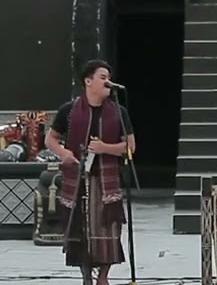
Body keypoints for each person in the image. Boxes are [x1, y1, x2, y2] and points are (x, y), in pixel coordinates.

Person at [45, 59, 136, 285]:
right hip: (78, 178)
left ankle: (103, 277)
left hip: (107, 179)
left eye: (109, 78)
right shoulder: (69, 110)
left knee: (108, 228)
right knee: (81, 228)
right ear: (88, 81)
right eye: (103, 77)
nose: (108, 82)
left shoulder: (118, 112)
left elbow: (130, 147)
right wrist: (64, 153)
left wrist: (105, 147)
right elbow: (51, 139)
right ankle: (86, 275)